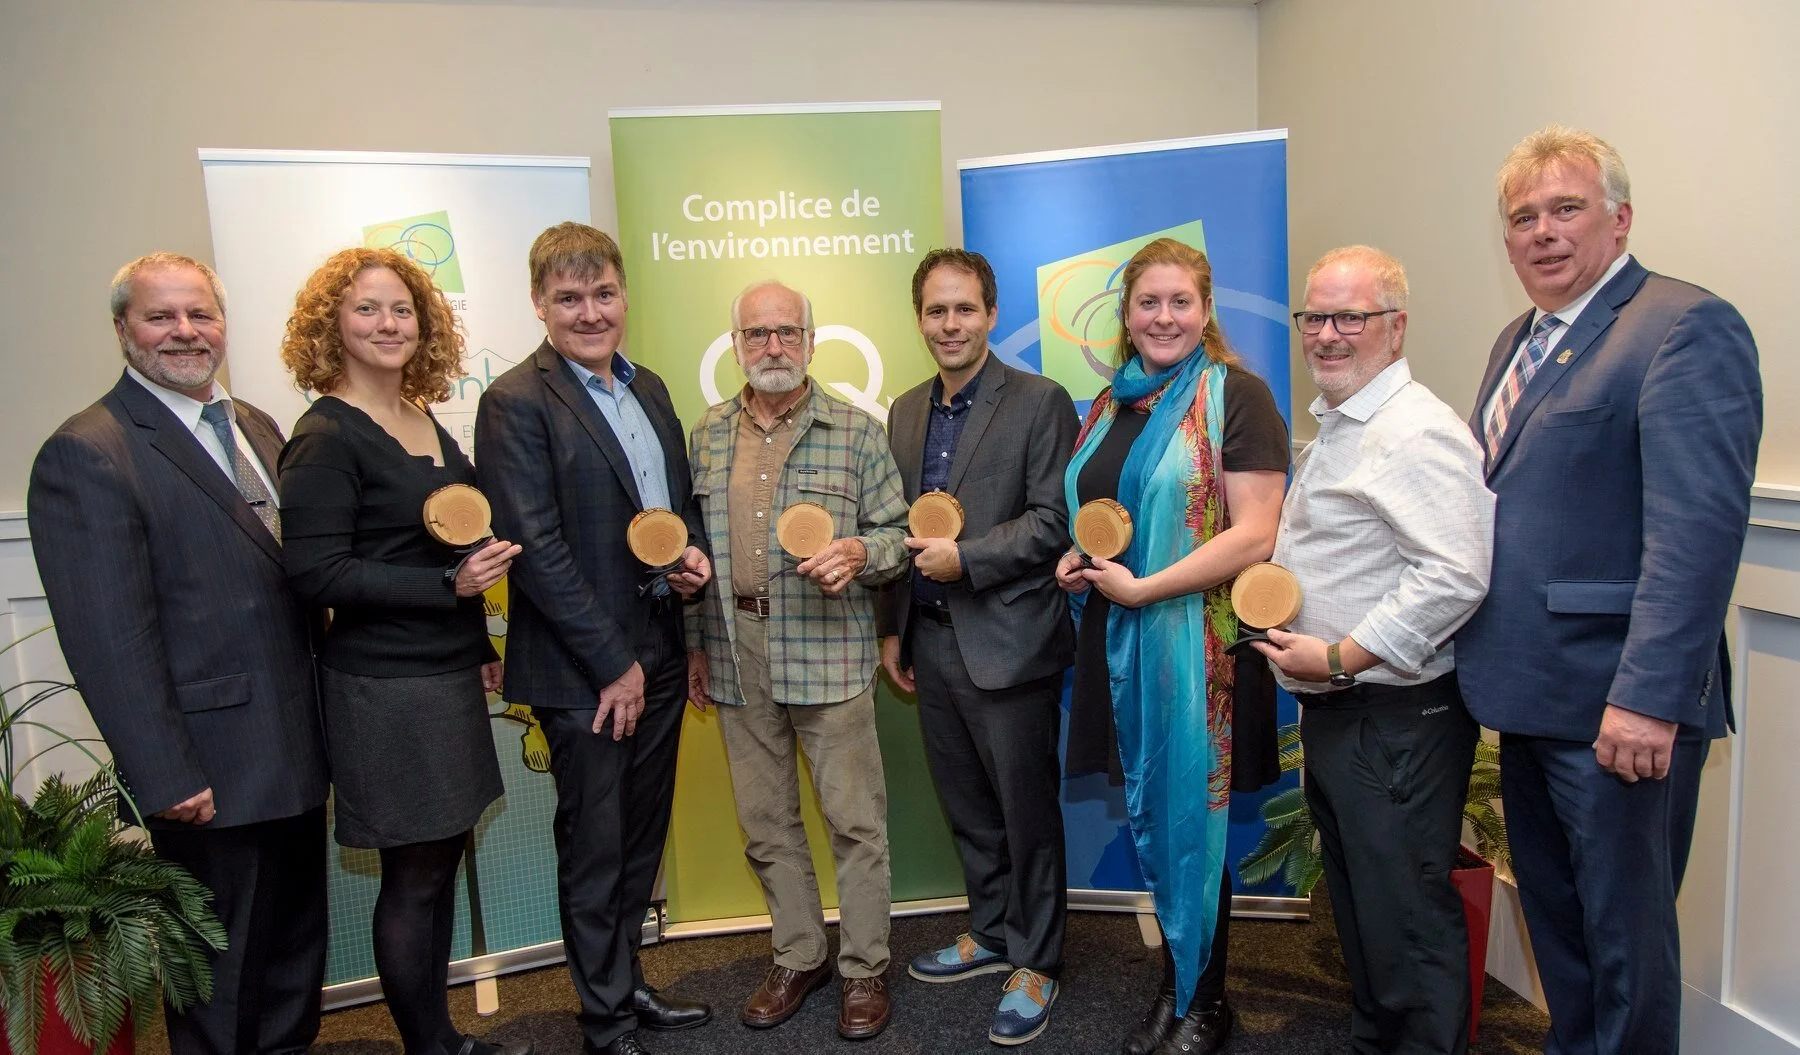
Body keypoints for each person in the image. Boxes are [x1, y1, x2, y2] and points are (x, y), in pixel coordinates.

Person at [1455, 126, 1762, 1055]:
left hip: (1618, 711)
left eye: (1566, 208)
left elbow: (1695, 538)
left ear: (1620, 218)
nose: (1543, 232)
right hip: (1531, 697)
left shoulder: (1683, 325)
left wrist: (1646, 698)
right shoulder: (1522, 337)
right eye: (1523, 217)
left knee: (1626, 945)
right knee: (1564, 931)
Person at [27, 252, 330, 1053]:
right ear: (124, 328)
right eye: (162, 316)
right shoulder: (90, 450)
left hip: (295, 749)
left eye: (200, 313)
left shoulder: (256, 425)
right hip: (209, 767)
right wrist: (163, 770)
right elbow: (106, 634)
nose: (185, 332)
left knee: (295, 954)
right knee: (218, 976)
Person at [276, 247, 527, 1055]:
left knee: (440, 856)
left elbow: (443, 546)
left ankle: (442, 1036)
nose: (388, 324)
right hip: (382, 686)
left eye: (402, 309)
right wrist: (447, 592)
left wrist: (478, 638)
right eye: (366, 309)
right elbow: (315, 571)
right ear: (332, 326)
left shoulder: (423, 417)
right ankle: (429, 1046)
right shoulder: (324, 434)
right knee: (413, 875)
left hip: (444, 672)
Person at [474, 223, 713, 1055]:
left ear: (623, 297)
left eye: (602, 293)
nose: (589, 311)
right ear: (539, 304)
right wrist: (612, 663)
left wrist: (689, 575)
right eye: (569, 297)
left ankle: (627, 983)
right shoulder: (514, 401)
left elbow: (666, 517)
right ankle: (604, 1020)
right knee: (594, 843)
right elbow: (534, 549)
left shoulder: (648, 388)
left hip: (654, 648)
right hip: (586, 672)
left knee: (640, 837)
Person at [1254, 246, 1494, 1054]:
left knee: (1407, 924)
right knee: (1365, 910)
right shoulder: (1348, 424)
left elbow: (1456, 575)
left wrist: (1342, 656)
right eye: (1314, 316)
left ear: (1394, 328)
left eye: (1348, 317)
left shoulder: (1414, 430)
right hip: (1347, 713)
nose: (1326, 333)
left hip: (1394, 714)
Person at [1054, 237, 1288, 1055]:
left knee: (1197, 820)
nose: (1163, 316)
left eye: (1179, 301)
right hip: (1121, 646)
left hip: (1200, 650)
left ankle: (1207, 1002)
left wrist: (1149, 587)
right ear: (1125, 315)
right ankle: (1179, 987)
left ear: (1206, 308)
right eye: (1147, 302)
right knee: (1157, 813)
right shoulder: (1109, 402)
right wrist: (1079, 560)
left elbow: (1258, 531)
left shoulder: (1239, 396)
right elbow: (1104, 513)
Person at [685, 280, 909, 1041]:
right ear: (737, 344)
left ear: (811, 341)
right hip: (736, 648)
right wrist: (695, 643)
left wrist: (860, 551)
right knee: (765, 821)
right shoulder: (707, 433)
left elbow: (896, 533)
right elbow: (693, 554)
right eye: (757, 334)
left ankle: (865, 967)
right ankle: (799, 951)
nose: (772, 346)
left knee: (855, 822)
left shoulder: (856, 429)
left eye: (787, 332)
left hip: (829, 647)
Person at [878, 249, 1078, 1047]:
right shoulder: (904, 410)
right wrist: (895, 624)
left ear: (991, 314)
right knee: (969, 807)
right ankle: (992, 929)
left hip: (1010, 641)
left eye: (964, 309)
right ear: (920, 318)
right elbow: (898, 523)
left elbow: (1051, 519)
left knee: (1025, 813)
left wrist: (970, 559)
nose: (949, 324)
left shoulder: (1039, 400)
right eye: (935, 311)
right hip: (930, 641)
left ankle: (1038, 958)